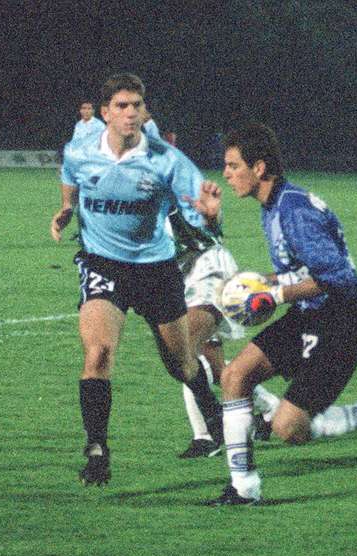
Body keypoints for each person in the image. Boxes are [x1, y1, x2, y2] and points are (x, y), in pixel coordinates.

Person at [198, 123, 357, 506]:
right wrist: (263, 281)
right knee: (235, 375)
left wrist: (274, 294)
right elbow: (304, 270)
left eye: (232, 165)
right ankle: (244, 488)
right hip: (308, 316)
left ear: (258, 168)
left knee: (290, 430)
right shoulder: (274, 203)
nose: (226, 174)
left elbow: (340, 278)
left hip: (342, 323)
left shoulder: (293, 210)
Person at [49, 73, 225, 486]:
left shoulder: (168, 160)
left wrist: (211, 215)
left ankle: (210, 406)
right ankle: (97, 450)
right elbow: (70, 178)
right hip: (102, 264)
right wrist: (65, 209)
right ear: (106, 113)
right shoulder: (79, 151)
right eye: (122, 106)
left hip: (156, 270)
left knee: (179, 364)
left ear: (146, 112)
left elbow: (201, 225)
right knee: (98, 356)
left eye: (137, 106)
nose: (131, 113)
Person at [141, 111, 280, 459]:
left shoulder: (170, 177)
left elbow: (204, 231)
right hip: (176, 277)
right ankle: (271, 410)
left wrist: (211, 218)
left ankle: (207, 434)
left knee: (183, 348)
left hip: (206, 269)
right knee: (217, 369)